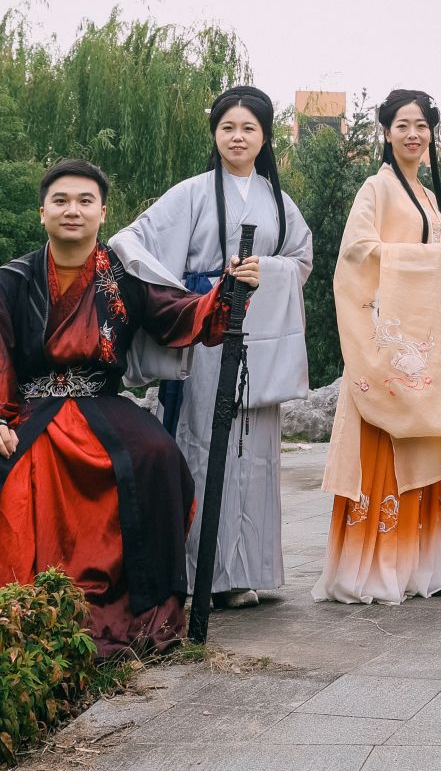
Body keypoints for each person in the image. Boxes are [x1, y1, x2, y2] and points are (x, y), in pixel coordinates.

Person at [0, 159, 235, 657]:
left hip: (102, 403)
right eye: (61, 201)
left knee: (159, 457)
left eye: (85, 201)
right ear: (42, 212)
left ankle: (141, 614)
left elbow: (177, 314)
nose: (73, 210)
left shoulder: (124, 275)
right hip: (30, 407)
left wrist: (228, 291)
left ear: (103, 213)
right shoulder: (13, 279)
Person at [109, 86, 312, 609]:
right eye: (227, 128)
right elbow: (130, 243)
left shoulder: (279, 201)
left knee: (255, 448)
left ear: (264, 136)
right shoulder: (191, 193)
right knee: (200, 443)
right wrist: (181, 298)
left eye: (248, 128)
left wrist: (266, 270)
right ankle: (197, 574)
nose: (237, 137)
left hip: (257, 336)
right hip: (205, 334)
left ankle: (246, 571)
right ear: (215, 134)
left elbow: (301, 261)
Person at [314, 89, 441, 604]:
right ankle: (368, 571)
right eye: (403, 125)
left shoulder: (426, 195)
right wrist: (429, 259)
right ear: (386, 133)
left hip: (419, 347)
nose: (413, 134)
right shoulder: (376, 188)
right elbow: (356, 253)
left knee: (418, 451)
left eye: (422, 126)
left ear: (432, 133)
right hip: (385, 347)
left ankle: (411, 568)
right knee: (382, 451)